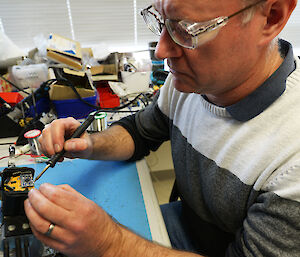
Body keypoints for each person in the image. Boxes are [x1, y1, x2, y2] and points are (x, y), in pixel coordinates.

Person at [24, 0, 300, 256]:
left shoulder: (292, 163)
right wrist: (90, 144)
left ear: (271, 17)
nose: (161, 50)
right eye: (162, 21)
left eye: (186, 29)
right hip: (184, 226)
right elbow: (141, 131)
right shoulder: (194, 81)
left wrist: (110, 243)